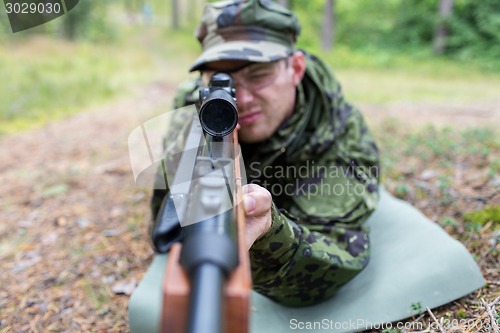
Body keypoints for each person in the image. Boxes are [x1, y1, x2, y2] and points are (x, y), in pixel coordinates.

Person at [151, 0, 380, 307]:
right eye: (222, 80)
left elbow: (337, 259)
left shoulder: (337, 132)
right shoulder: (195, 104)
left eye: (259, 75)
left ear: (295, 68)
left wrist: (271, 234)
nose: (241, 100)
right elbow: (164, 218)